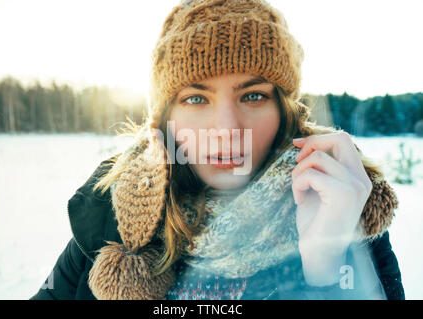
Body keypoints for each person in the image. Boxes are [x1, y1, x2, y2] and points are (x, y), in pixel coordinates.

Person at [30, 0, 405, 300]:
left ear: (286, 112)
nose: (226, 129)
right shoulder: (112, 215)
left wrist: (324, 264)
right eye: (196, 98)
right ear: (164, 119)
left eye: (253, 96)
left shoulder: (343, 211)